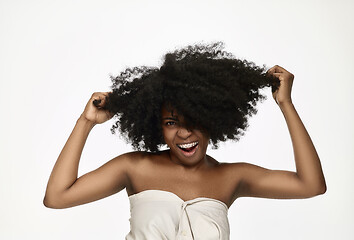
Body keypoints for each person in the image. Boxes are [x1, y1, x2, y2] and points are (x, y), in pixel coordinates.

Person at [43, 42, 326, 240]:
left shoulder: (231, 177)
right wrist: (86, 122)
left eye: (195, 121)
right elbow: (57, 197)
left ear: (214, 119)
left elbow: (311, 185)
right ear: (158, 126)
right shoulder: (135, 167)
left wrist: (285, 104)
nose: (184, 133)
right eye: (171, 122)